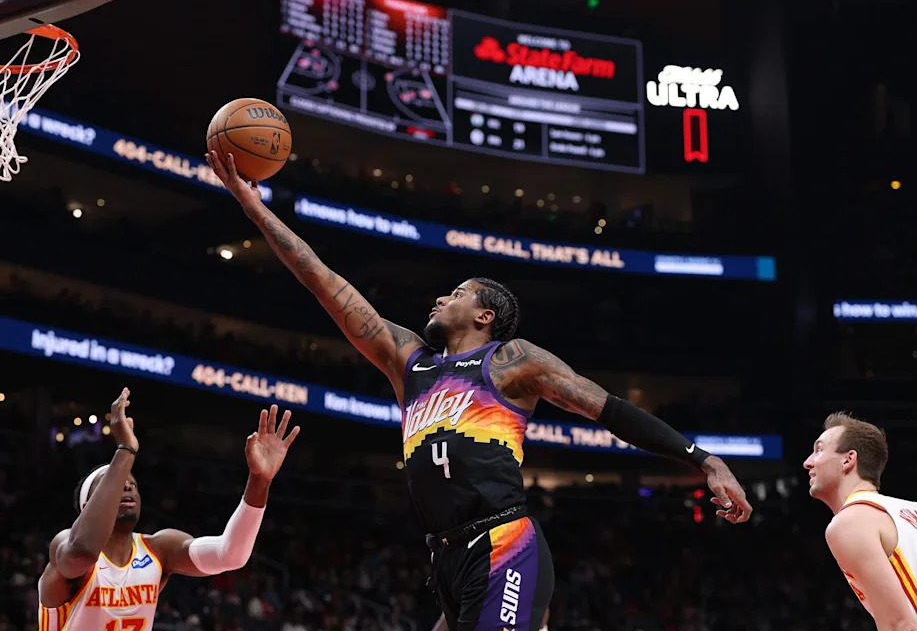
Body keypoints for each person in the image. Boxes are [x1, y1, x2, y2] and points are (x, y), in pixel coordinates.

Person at [207, 150, 752, 631]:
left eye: (457, 293)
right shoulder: (409, 362)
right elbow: (323, 280)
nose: (441, 298)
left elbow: (607, 408)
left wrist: (701, 458)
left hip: (501, 544)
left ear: (485, 314)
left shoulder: (511, 361)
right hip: (444, 556)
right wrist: (254, 208)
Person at [38, 387, 300, 630]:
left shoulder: (159, 549)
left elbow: (230, 555)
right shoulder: (65, 545)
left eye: (132, 484)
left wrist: (260, 481)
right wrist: (125, 450)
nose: (127, 487)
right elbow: (81, 554)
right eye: (115, 486)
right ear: (88, 506)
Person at [803, 411, 917, 631]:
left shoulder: (850, 521)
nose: (807, 463)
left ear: (848, 460)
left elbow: (900, 625)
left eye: (819, 450)